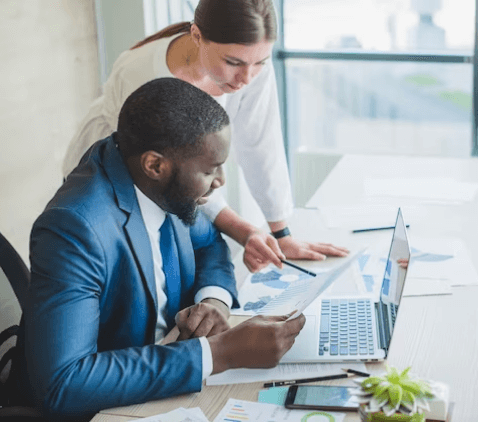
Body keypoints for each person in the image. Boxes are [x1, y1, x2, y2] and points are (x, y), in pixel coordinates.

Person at [10, 78, 306, 421]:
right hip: (103, 410)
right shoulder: (74, 229)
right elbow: (64, 383)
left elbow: (209, 243)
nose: (220, 181)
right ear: (155, 165)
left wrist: (213, 300)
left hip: (163, 376)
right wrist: (217, 353)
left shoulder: (161, 180)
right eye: (210, 170)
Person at [62, 0, 348, 273]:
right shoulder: (145, 78)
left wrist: (280, 232)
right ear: (197, 36)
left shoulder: (249, 59)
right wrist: (246, 232)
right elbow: (184, 178)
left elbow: (261, 142)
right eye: (233, 62)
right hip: (115, 179)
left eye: (261, 62)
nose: (247, 78)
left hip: (177, 180)